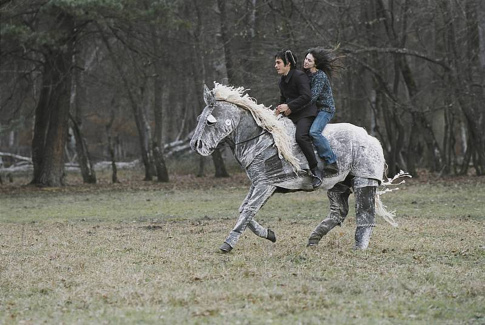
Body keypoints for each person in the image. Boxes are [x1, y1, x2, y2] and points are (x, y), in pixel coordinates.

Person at [274, 49, 321, 187]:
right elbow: (283, 100)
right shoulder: (281, 81)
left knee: (300, 137)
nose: (275, 66)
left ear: (288, 63)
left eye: (278, 63)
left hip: (307, 114)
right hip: (292, 115)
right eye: (275, 63)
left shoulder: (299, 76)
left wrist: (288, 106)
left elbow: (306, 96)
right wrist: (279, 110)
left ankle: (315, 170)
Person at [303, 47, 342, 178]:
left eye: (309, 60)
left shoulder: (320, 76)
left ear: (315, 63)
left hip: (325, 110)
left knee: (314, 132)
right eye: (305, 58)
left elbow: (312, 97)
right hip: (315, 110)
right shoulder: (307, 74)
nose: (305, 61)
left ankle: (331, 161)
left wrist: (294, 106)